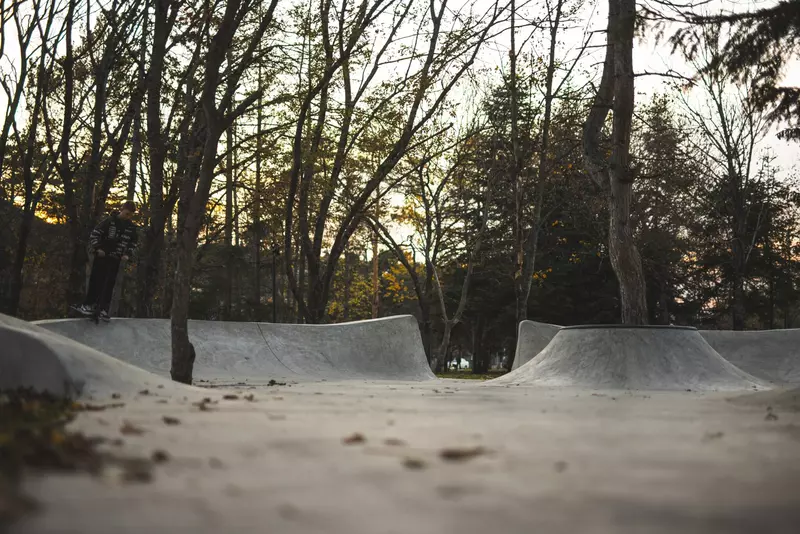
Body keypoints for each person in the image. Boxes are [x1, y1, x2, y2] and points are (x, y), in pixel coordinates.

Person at [72, 201, 139, 321]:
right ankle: (88, 305)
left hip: (116, 258)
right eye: (127, 213)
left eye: (130, 215)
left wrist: (127, 254)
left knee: (109, 285)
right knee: (96, 280)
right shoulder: (109, 222)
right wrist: (98, 248)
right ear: (122, 209)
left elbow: (133, 243)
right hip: (102, 256)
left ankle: (103, 309)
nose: (128, 216)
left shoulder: (131, 227)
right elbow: (95, 234)